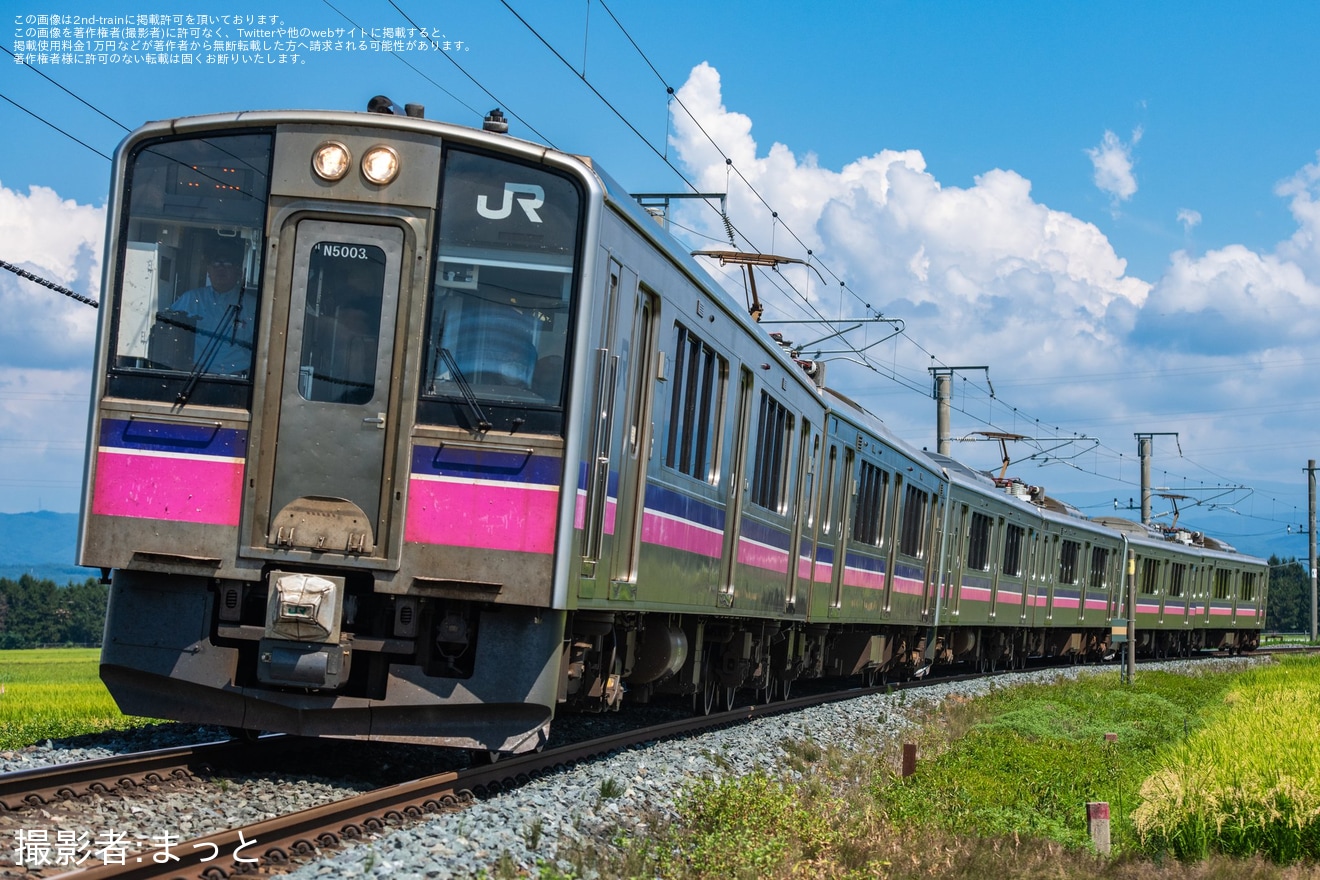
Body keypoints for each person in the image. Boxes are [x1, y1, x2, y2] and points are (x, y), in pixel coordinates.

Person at [169, 235, 256, 375]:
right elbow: (167, 336)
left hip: (238, 381)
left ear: (239, 271)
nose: (220, 269)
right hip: (195, 379)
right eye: (216, 263)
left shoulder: (253, 306)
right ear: (208, 270)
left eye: (227, 264)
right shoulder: (190, 299)